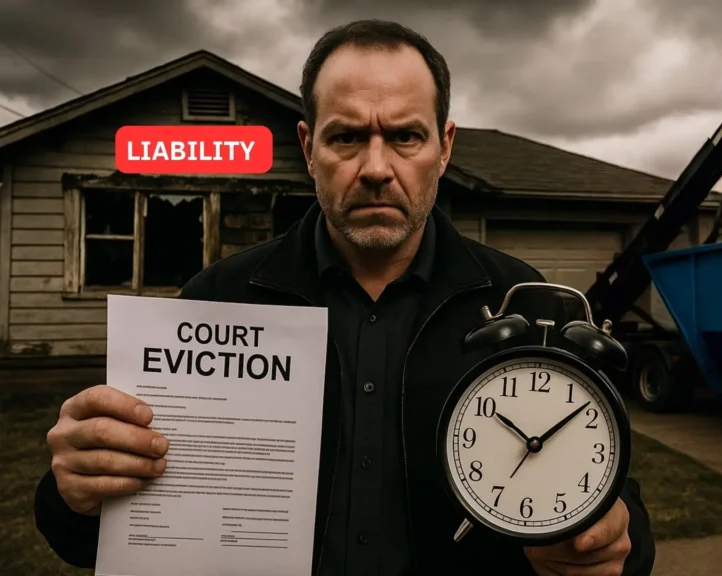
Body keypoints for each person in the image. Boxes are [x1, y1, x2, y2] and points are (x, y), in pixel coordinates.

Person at [33, 20, 656, 576]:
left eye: (406, 137)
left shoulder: (527, 303)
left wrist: (608, 543)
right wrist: (76, 493)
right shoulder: (214, 302)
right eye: (347, 138)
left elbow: (612, 500)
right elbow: (113, 535)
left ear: (446, 147)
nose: (377, 166)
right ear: (308, 148)